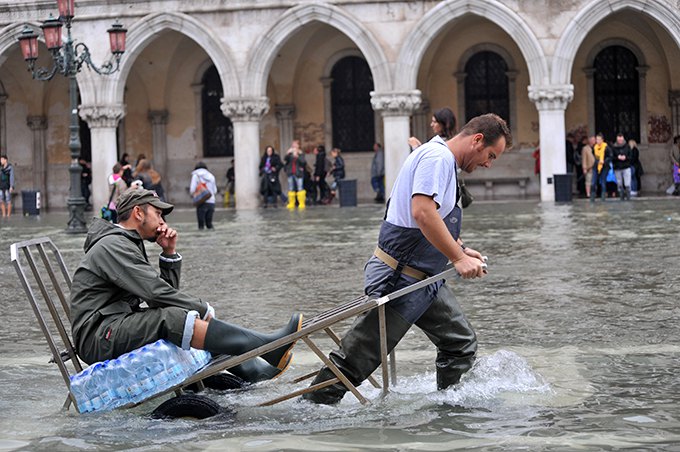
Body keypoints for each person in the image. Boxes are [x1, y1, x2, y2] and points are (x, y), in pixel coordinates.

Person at [302, 113, 512, 405]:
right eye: (491, 155)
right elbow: (422, 212)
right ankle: (311, 409)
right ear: (477, 140)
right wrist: (457, 258)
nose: (489, 164)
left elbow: (435, 217)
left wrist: (460, 250)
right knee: (356, 362)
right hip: (400, 278)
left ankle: (450, 408)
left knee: (459, 343)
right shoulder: (437, 157)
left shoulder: (445, 162)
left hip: (425, 280)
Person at [69, 188, 303, 384]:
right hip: (98, 336)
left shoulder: (125, 243)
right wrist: (202, 309)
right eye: (158, 214)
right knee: (173, 318)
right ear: (138, 213)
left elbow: (157, 296)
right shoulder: (113, 245)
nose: (163, 222)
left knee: (177, 315)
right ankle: (268, 346)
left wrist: (168, 253)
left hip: (113, 326)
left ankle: (253, 368)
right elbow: (156, 293)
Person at [190, 162, 217, 230]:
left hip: (201, 202)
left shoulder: (196, 175)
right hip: (211, 202)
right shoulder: (211, 176)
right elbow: (215, 191)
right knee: (209, 224)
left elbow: (192, 189)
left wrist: (194, 195)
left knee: (201, 226)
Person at [284, 140, 307, 209]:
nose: (293, 146)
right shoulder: (290, 154)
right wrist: (288, 153)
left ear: (298, 146)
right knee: (291, 188)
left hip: (298, 173)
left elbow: (303, 163)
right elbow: (285, 159)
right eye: (293, 145)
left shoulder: (301, 153)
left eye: (295, 145)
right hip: (291, 172)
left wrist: (297, 156)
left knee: (300, 188)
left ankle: (301, 203)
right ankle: (291, 203)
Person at [611, 133, 632, 200]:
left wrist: (625, 157)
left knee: (627, 183)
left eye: (621, 139)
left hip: (626, 166)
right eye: (619, 139)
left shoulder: (627, 146)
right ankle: (621, 196)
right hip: (617, 167)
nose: (620, 140)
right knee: (619, 183)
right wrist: (618, 157)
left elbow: (631, 156)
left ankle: (628, 197)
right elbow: (612, 157)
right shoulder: (614, 147)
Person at [592, 133, 611, 201]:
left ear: (602, 140)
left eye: (599, 139)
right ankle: (593, 196)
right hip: (596, 166)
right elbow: (593, 157)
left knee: (603, 182)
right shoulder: (594, 147)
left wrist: (604, 161)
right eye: (597, 139)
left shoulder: (606, 147)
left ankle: (603, 197)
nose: (598, 141)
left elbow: (610, 156)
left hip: (604, 167)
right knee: (593, 182)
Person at [581, 136, 595, 200]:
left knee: (594, 181)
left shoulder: (597, 147)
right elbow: (584, 159)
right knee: (588, 181)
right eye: (592, 140)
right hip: (589, 167)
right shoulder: (585, 149)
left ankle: (594, 192)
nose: (593, 141)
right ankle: (588, 193)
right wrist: (584, 168)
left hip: (596, 167)